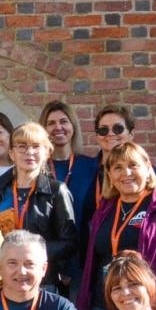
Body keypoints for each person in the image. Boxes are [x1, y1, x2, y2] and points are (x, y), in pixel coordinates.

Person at [77, 141, 156, 310]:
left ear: (148, 168)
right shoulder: (105, 209)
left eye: (133, 165)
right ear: (109, 174)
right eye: (118, 167)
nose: (126, 173)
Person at [0, 121, 78, 288]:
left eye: (36, 146)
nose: (29, 152)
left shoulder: (57, 191)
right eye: (22, 146)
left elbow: (69, 243)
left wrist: (31, 253)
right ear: (12, 153)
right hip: (1, 280)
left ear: (47, 152)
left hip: (41, 281)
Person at [42, 99, 98, 235]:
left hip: (82, 248)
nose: (58, 127)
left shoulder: (92, 167)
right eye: (51, 123)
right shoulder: (37, 169)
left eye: (63, 121)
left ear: (73, 127)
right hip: (45, 250)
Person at [90, 103, 136, 206]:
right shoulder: (85, 171)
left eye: (118, 128)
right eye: (103, 130)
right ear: (97, 136)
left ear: (131, 134)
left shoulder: (143, 172)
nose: (110, 134)